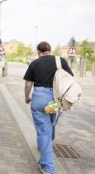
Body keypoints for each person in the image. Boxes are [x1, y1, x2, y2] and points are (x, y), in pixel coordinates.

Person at [23, 41, 73, 174]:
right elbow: (69, 79)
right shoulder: (60, 61)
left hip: (40, 98)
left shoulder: (35, 63)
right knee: (50, 124)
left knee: (44, 130)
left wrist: (27, 97)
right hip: (56, 100)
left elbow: (28, 84)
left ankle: (48, 168)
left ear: (39, 52)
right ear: (50, 50)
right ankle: (44, 147)